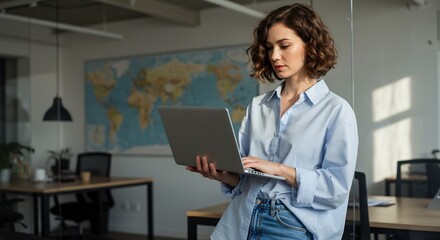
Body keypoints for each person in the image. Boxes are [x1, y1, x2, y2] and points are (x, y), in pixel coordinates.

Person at [186, 3, 358, 240]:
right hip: (242, 218)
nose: (274, 56)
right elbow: (244, 177)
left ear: (310, 45)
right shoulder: (258, 106)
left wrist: (278, 169)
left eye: (284, 45)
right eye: (269, 47)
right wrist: (221, 174)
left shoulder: (336, 110)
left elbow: (336, 190)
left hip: (292, 225)